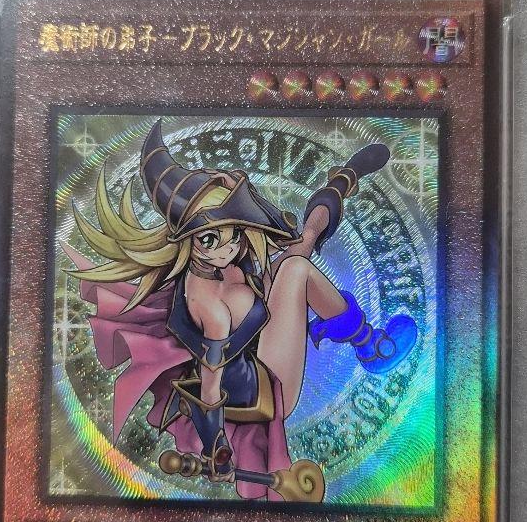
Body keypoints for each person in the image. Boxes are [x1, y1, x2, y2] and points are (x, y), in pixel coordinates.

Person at [65, 119, 417, 500]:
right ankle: (370, 345)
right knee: (296, 269)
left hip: (259, 344)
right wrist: (217, 448)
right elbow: (210, 385)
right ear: (188, 240)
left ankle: (342, 180)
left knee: (302, 243)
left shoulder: (225, 262)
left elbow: (262, 249)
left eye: (231, 232)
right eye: (210, 239)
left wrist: (237, 197)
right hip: (266, 389)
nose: (228, 247)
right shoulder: (209, 305)